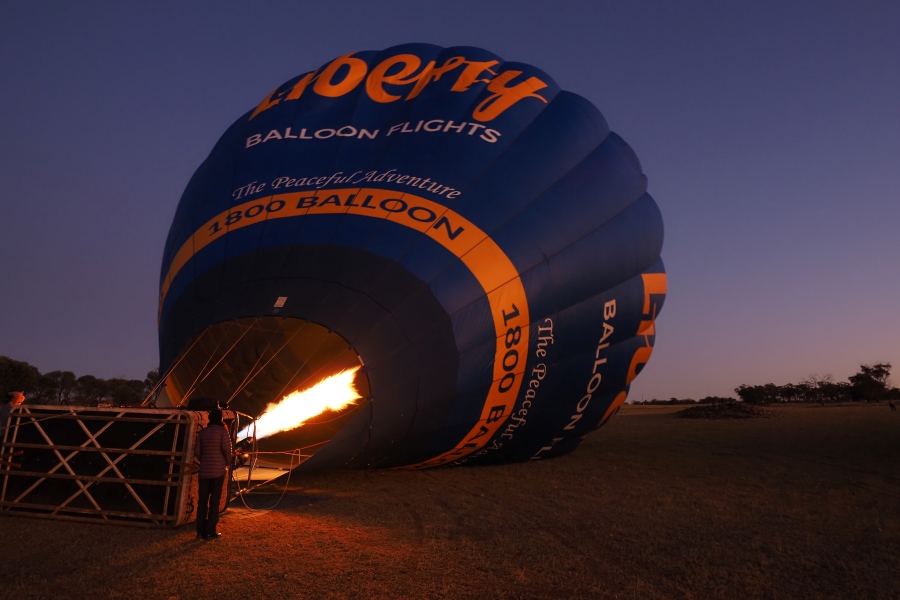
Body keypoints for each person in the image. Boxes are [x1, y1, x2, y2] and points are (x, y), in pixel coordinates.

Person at [195, 407, 232, 540]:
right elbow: (227, 450)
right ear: (221, 419)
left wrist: (205, 461)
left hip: (204, 472)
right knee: (214, 501)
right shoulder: (223, 431)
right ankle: (210, 530)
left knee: (202, 501)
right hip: (218, 471)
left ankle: (199, 531)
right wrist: (227, 463)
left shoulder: (202, 433)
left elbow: (197, 452)